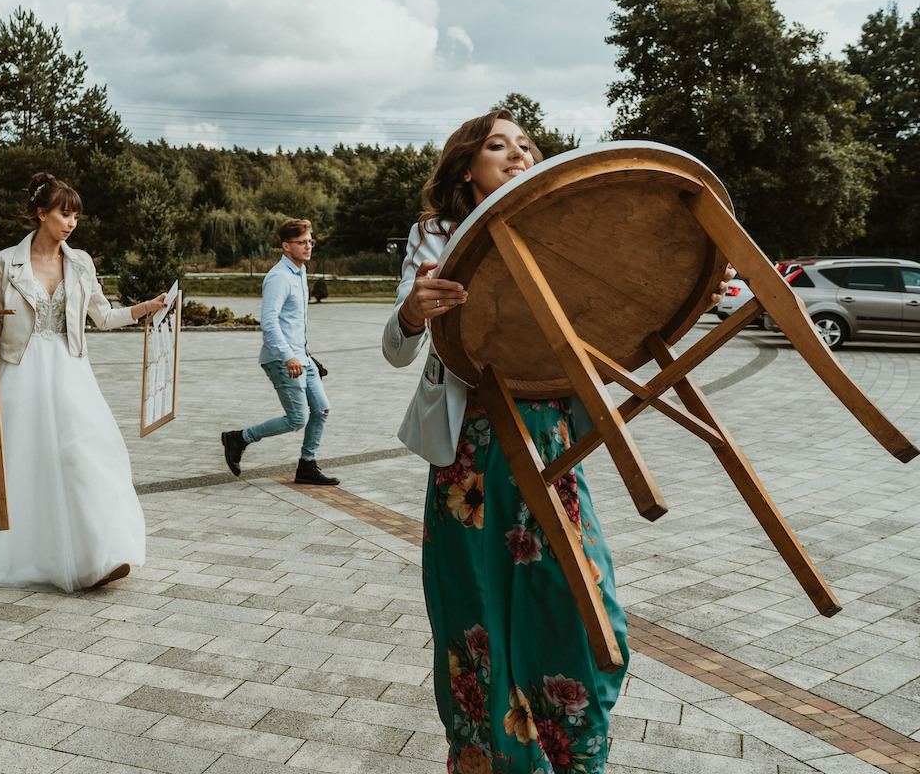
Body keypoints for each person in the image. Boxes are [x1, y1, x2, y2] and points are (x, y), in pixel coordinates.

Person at [383, 110, 734, 773]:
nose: (517, 153)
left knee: (581, 604)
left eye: (526, 144)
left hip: (550, 441)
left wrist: (684, 294)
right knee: (475, 616)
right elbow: (398, 348)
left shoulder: (572, 231)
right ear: (466, 168)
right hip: (468, 456)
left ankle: (575, 756)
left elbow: (614, 325)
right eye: (497, 145)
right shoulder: (437, 235)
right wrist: (411, 311)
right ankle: (490, 759)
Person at [0, 172, 165, 593]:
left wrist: (145, 307)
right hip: (20, 370)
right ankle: (17, 554)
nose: (72, 223)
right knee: (20, 461)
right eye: (65, 214)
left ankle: (98, 556)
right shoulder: (6, 261)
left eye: (76, 216)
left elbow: (103, 317)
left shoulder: (81, 263)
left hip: (70, 371)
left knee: (87, 454)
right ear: (42, 214)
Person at [222, 218, 338, 486]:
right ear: (286, 246)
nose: (308, 246)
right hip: (282, 359)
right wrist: (288, 355)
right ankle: (239, 438)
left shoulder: (300, 272)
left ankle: (307, 466)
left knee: (321, 409)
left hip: (301, 356)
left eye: (310, 241)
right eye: (302, 242)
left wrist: (303, 346)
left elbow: (292, 319)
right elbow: (269, 322)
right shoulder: (278, 277)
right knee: (297, 419)